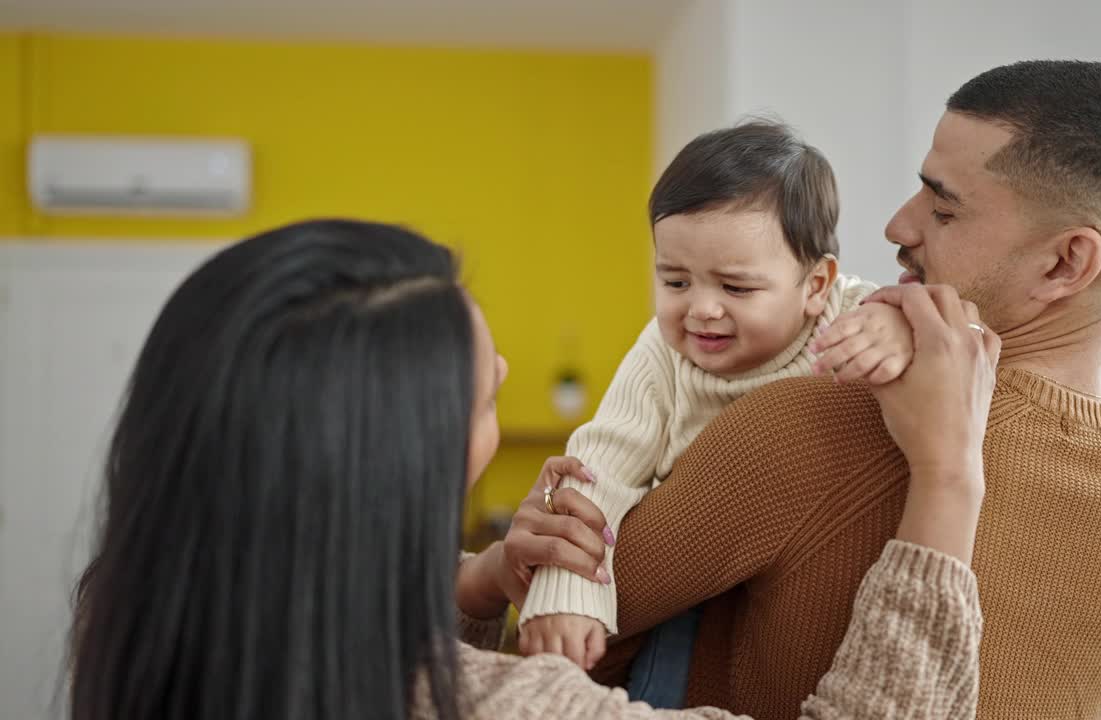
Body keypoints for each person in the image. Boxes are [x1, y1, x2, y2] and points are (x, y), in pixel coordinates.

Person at [67, 218, 999, 720]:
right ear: (397, 471)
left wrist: (475, 589)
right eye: (480, 397)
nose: (507, 377)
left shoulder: (145, 630)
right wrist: (948, 474)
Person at [563, 60, 1101, 719]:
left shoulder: (812, 419)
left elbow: (566, 652)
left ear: (1066, 262)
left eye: (943, 209)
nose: (898, 225)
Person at [516, 121, 916, 688]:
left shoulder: (855, 316)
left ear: (816, 286)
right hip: (687, 594)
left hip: (805, 585)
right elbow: (597, 466)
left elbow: (954, 331)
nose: (701, 309)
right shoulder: (661, 354)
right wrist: (566, 594)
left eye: (735, 288)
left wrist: (901, 326)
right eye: (676, 282)